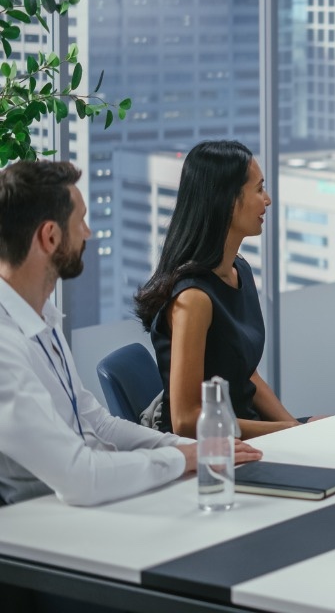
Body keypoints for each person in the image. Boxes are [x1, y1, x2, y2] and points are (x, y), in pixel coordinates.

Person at [0, 160, 261, 506]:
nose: (88, 233)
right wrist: (183, 459)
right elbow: (81, 477)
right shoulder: (6, 346)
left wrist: (192, 449)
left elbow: (98, 424)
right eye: (80, 221)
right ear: (50, 236)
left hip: (94, 503)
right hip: (44, 524)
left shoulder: (42, 319)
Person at [135, 141, 309, 439]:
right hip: (210, 453)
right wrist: (286, 431)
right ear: (227, 201)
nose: (267, 200)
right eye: (258, 189)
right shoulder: (193, 299)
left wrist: (296, 428)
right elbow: (186, 421)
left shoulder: (239, 270)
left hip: (246, 436)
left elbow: (245, 374)